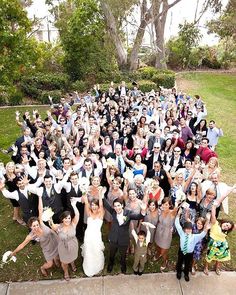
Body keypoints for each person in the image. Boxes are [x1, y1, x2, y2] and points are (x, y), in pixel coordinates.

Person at [10, 195, 59, 277]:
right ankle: (42, 268)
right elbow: (22, 245)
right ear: (30, 227)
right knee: (50, 264)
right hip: (47, 248)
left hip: (54, 241)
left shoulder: (42, 224)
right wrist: (14, 252)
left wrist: (40, 197)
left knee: (57, 257)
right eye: (34, 226)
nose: (36, 227)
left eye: (37, 225)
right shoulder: (31, 236)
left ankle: (56, 260)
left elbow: (40, 210)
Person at [103, 195, 146, 274]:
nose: (117, 208)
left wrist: (143, 210)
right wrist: (101, 195)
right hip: (113, 237)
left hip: (123, 239)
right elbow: (106, 204)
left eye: (118, 205)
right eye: (115, 206)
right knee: (112, 253)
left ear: (122, 205)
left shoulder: (128, 213)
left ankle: (123, 265)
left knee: (123, 255)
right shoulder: (113, 212)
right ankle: (110, 264)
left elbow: (138, 216)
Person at [175, 208, 209, 282]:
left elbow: (202, 234)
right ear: (184, 229)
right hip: (181, 251)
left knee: (187, 264)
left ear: (191, 230)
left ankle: (186, 274)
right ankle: (179, 272)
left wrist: (206, 228)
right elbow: (177, 225)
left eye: (190, 229)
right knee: (179, 262)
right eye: (186, 229)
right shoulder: (181, 233)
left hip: (189, 253)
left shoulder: (194, 237)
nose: (188, 230)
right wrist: (178, 215)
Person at [49, 198, 79, 281]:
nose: (67, 220)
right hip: (63, 247)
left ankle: (72, 263)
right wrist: (49, 217)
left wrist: (74, 205)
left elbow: (77, 215)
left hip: (73, 245)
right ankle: (66, 272)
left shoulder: (73, 224)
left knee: (72, 257)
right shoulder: (58, 227)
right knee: (64, 262)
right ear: (62, 219)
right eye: (65, 218)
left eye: (69, 218)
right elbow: (51, 224)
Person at [204, 204, 235, 276]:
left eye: (228, 227)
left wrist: (232, 225)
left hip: (222, 245)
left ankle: (217, 268)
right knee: (209, 256)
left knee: (219, 257)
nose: (227, 227)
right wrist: (214, 207)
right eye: (227, 224)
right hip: (213, 243)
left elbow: (234, 226)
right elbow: (213, 215)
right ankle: (206, 267)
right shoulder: (215, 223)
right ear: (224, 221)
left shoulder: (226, 231)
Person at [81, 188, 105, 277]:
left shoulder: (101, 214)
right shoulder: (89, 213)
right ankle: (88, 265)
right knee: (88, 250)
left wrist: (99, 194)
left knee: (96, 250)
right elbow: (86, 203)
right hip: (88, 235)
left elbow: (101, 205)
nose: (94, 207)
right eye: (93, 205)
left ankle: (97, 265)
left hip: (96, 236)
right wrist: (84, 192)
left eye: (96, 205)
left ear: (98, 206)